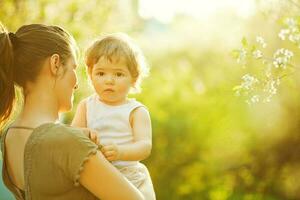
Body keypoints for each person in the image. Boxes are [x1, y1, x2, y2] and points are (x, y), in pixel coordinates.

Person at [0, 22, 144, 200]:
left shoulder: (9, 136)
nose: (76, 83)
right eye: (74, 68)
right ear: (55, 64)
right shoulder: (68, 142)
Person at [72, 33, 156, 200]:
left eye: (118, 74)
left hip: (129, 177)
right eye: (101, 73)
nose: (109, 80)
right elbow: (72, 136)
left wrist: (120, 152)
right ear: (90, 75)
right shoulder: (86, 106)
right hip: (95, 176)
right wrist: (84, 133)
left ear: (133, 78)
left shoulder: (136, 111)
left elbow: (144, 146)